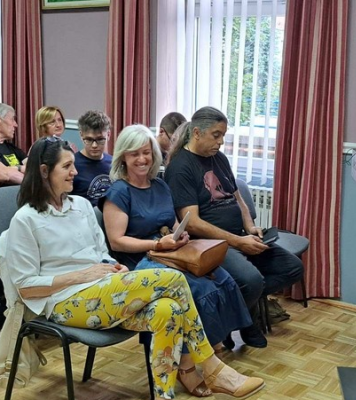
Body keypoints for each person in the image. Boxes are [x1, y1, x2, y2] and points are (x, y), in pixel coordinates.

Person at [3, 136, 264, 400]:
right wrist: (80, 275)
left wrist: (113, 266)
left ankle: (164, 396)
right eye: (67, 166)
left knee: (169, 311)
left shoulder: (80, 206)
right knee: (173, 279)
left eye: (73, 165)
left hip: (100, 288)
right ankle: (211, 367)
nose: (75, 172)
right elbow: (26, 288)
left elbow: (100, 253)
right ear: (44, 171)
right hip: (63, 302)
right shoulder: (25, 220)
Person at [101, 125, 254, 396]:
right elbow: (117, 241)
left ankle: (209, 347)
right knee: (199, 289)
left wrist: (178, 235)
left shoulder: (160, 185)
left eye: (146, 152)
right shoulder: (119, 193)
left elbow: (172, 223)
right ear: (123, 157)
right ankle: (187, 367)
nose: (142, 159)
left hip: (169, 251)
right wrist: (157, 244)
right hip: (139, 261)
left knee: (220, 277)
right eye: (134, 154)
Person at [165, 106, 304, 349]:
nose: (221, 142)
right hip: (208, 245)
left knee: (292, 268)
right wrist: (238, 242)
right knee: (252, 280)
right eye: (216, 135)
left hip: (238, 237)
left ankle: (241, 313)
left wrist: (250, 227)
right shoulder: (180, 167)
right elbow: (193, 221)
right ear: (196, 133)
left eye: (223, 135)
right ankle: (244, 320)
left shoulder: (219, 159)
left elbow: (237, 196)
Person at [71, 110, 112, 206]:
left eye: (100, 139)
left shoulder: (113, 163)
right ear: (81, 135)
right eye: (89, 140)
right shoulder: (72, 164)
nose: (94, 145)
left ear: (108, 135)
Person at [0, 103, 26, 185]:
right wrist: (20, 168)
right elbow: (4, 174)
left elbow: (32, 167)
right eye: (12, 119)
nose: (16, 124)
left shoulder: (12, 148)